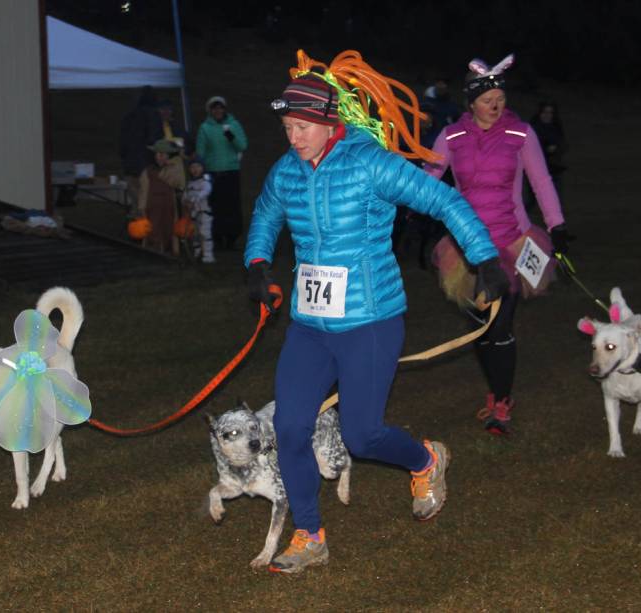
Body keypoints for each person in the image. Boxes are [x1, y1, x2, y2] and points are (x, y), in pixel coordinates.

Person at [244, 50, 507, 574]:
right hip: (310, 326)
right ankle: (308, 535)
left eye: (302, 127)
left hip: (370, 321)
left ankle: (426, 459)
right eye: (287, 127)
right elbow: (267, 212)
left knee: (361, 435)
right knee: (292, 429)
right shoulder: (287, 170)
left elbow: (446, 202)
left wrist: (483, 257)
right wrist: (256, 262)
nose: (293, 138)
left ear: (329, 124)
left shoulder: (371, 163)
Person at [424, 55, 570, 435]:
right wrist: (402, 197)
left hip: (513, 242)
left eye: (501, 97)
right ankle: (495, 391)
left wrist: (557, 225)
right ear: (471, 102)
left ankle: (502, 402)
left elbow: (540, 182)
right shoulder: (452, 137)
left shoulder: (521, 133)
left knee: (500, 324)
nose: (496, 103)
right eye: (489, 98)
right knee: (480, 326)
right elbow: (429, 177)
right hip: (467, 246)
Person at [195, 96, 248, 249]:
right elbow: (201, 152)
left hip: (231, 172)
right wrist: (200, 171)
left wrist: (230, 136)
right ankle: (217, 237)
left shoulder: (233, 125)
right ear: (210, 111)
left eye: (220, 108)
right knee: (215, 207)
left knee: (232, 207)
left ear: (224, 109)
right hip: (213, 174)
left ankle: (232, 237)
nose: (218, 111)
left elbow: (242, 146)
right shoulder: (205, 128)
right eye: (214, 108)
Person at [118, 87, 163, 211]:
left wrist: (124, 157)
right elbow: (155, 140)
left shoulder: (128, 116)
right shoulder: (154, 115)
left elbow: (121, 143)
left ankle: (138, 227)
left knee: (136, 202)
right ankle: (149, 228)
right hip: (146, 165)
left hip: (128, 165)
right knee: (147, 202)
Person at [138, 139, 185, 253]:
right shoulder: (148, 171)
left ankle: (168, 248)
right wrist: (142, 207)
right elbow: (144, 190)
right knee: (153, 228)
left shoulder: (174, 169)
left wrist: (172, 164)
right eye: (157, 154)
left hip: (168, 206)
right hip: (152, 205)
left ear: (168, 155)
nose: (159, 157)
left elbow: (178, 183)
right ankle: (154, 249)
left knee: (168, 227)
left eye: (162, 154)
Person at [529, 101, 567, 202]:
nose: (547, 115)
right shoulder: (533, 128)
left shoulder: (556, 127)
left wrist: (556, 149)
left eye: (550, 113)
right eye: (545, 112)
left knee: (555, 199)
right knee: (532, 199)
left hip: (553, 168)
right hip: (536, 169)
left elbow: (562, 145)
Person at [183, 157, 214, 263]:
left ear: (203, 168)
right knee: (195, 234)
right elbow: (185, 195)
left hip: (204, 212)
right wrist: (185, 201)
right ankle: (197, 252)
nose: (195, 169)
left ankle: (208, 255)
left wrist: (195, 199)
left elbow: (206, 191)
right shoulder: (189, 184)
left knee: (204, 233)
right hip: (193, 214)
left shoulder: (205, 182)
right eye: (192, 167)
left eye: (198, 167)